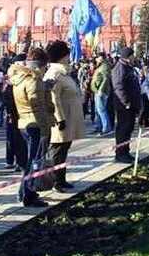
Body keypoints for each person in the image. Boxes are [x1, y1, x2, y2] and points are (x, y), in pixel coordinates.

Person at [9, 48, 54, 207]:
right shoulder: (33, 80)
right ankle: (27, 194)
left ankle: (25, 192)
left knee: (30, 161)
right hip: (35, 124)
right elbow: (38, 107)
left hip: (24, 122)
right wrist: (45, 129)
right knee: (34, 161)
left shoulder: (20, 78)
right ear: (40, 65)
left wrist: (45, 88)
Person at [44, 41, 85, 193]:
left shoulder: (63, 72)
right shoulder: (55, 74)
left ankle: (61, 179)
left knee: (64, 149)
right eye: (67, 54)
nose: (69, 57)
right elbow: (53, 98)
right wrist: (59, 118)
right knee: (57, 151)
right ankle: (56, 181)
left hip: (68, 118)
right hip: (61, 120)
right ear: (62, 56)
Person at [111, 47, 141, 163]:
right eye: (132, 55)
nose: (134, 57)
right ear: (128, 56)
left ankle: (126, 151)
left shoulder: (128, 68)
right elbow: (118, 87)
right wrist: (126, 102)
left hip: (131, 105)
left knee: (128, 129)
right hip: (124, 106)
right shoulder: (120, 68)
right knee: (123, 130)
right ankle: (120, 153)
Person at [3, 53, 27, 170]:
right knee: (15, 138)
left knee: (15, 138)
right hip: (15, 113)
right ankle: (16, 161)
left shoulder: (12, 80)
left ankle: (16, 161)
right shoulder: (14, 80)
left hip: (16, 113)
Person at [91, 53, 112, 135]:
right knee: (97, 110)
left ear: (102, 58)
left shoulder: (105, 66)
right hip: (97, 91)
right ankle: (98, 126)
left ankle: (106, 127)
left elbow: (106, 79)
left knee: (101, 110)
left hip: (101, 92)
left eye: (98, 57)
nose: (97, 59)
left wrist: (101, 90)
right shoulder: (100, 66)